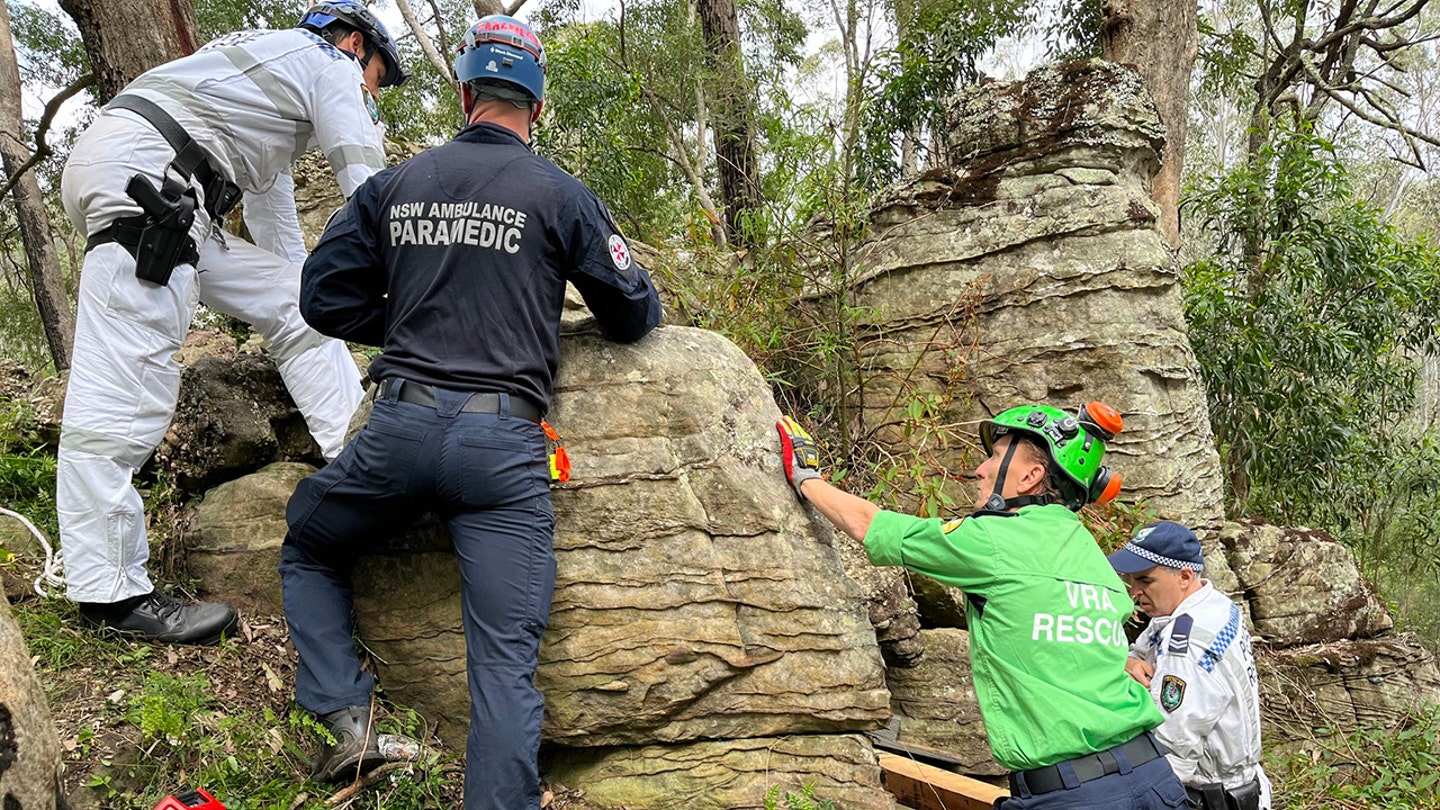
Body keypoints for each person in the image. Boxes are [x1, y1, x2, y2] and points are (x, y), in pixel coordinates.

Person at [277, 14, 662, 799]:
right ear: (537, 108)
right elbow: (630, 315)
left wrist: (412, 319)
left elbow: (321, 297)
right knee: (503, 668)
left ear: (463, 94)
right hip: (501, 454)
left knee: (310, 547)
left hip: (399, 432)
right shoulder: (559, 193)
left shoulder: (396, 185)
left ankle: (348, 724)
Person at [56, 1, 407, 645]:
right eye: (379, 78)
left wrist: (325, 299)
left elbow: (285, 254)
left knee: (291, 298)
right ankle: (111, 592)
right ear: (356, 43)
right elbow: (369, 187)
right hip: (151, 184)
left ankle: (353, 448)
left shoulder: (269, 91)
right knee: (125, 389)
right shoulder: (328, 63)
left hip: (160, 178)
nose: (373, 94)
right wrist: (410, 296)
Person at [775, 404, 1190, 808]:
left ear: (1031, 476)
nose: (979, 469)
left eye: (992, 456)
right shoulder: (1090, 552)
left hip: (1071, 794)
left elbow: (870, 524)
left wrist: (807, 477)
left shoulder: (992, 540)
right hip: (1153, 778)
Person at [1108, 521, 1271, 810]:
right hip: (1242, 789)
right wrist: (1128, 661)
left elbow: (1172, 749)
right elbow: (1146, 650)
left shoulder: (1187, 644)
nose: (1134, 591)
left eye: (1145, 580)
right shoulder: (1213, 605)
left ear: (1184, 576)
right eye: (1132, 580)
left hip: (1209, 797)